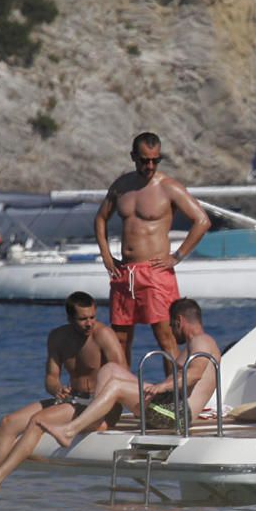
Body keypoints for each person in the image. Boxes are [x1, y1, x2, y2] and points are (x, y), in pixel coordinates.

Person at [0, 292, 126, 500]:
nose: (89, 323)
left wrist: (97, 400)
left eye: (92, 317)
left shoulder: (104, 335)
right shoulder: (57, 337)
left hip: (100, 407)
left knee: (38, 421)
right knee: (8, 422)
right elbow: (50, 378)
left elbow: (121, 376)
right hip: (72, 400)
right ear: (69, 319)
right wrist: (57, 389)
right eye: (83, 319)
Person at [95, 132, 211, 368]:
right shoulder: (121, 187)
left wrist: (177, 256)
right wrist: (107, 256)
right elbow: (100, 219)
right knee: (120, 339)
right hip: (125, 272)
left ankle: (173, 394)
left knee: (165, 336)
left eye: (155, 160)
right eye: (144, 160)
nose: (149, 166)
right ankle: (124, 391)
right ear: (133, 157)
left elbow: (202, 221)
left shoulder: (169, 187)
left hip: (155, 271)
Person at [42, 298, 221, 448]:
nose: (171, 332)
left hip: (178, 415)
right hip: (168, 406)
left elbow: (194, 374)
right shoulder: (196, 344)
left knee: (116, 386)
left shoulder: (202, 341)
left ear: (179, 321)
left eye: (171, 325)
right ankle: (96, 417)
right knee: (110, 369)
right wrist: (159, 388)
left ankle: (70, 430)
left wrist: (162, 386)